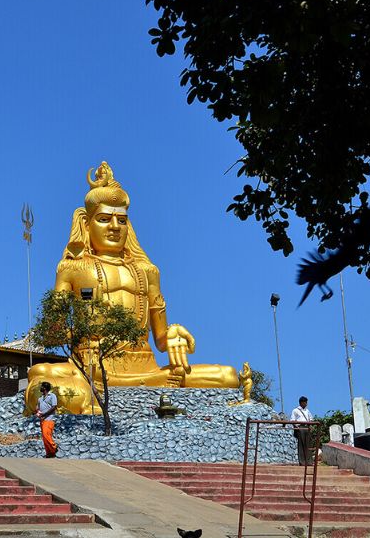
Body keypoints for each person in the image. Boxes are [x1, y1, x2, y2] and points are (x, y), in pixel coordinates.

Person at [25, 162, 246, 415]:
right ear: (86, 223)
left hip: (147, 368)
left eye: (122, 220)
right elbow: (53, 334)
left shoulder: (148, 272)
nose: (115, 227)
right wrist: (63, 325)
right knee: (42, 375)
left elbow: (161, 341)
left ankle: (102, 397)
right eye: (105, 219)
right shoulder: (72, 269)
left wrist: (173, 336)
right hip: (90, 367)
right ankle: (90, 396)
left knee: (228, 376)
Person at [36, 382, 58, 458]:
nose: (40, 388)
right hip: (42, 419)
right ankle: (50, 453)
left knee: (46, 435)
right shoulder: (40, 398)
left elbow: (54, 407)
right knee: (44, 438)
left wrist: (44, 414)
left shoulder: (52, 396)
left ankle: (54, 447)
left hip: (49, 418)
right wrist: (38, 412)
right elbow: (38, 408)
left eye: (42, 387)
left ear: (45, 388)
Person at [291, 396, 313, 466]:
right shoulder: (295, 410)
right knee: (301, 445)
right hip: (300, 427)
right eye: (305, 402)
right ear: (301, 403)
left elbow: (311, 419)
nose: (306, 404)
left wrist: (311, 426)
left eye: (306, 402)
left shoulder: (307, 411)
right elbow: (292, 420)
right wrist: (296, 427)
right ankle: (302, 462)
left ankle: (309, 462)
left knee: (308, 445)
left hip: (307, 427)